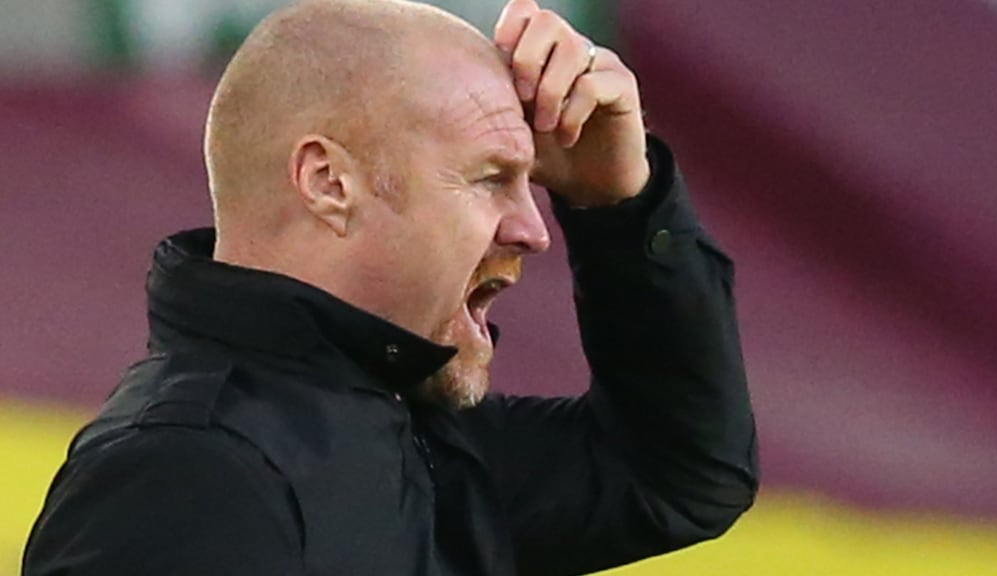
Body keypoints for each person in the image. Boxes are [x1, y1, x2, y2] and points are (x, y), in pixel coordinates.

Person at [22, 0, 758, 574]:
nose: (534, 230)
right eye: (490, 179)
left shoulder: (411, 435)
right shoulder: (182, 478)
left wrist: (620, 205)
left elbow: (680, 474)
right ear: (329, 183)